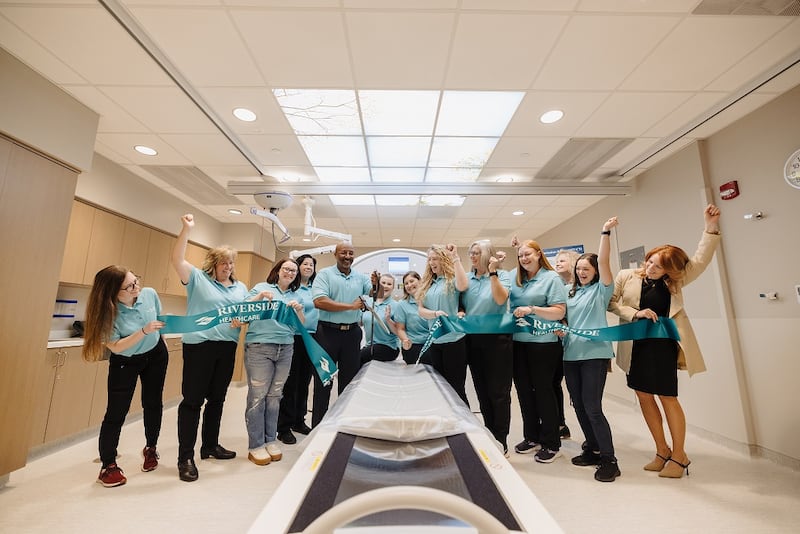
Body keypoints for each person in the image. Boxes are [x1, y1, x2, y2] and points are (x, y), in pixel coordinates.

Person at [608, 204, 721, 479]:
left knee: (667, 397)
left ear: (670, 269)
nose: (650, 267)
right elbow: (612, 303)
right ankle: (662, 451)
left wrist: (711, 227)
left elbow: (701, 260)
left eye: (658, 266)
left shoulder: (676, 282)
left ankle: (680, 456)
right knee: (643, 396)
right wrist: (635, 313)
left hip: (662, 348)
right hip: (635, 347)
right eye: (649, 261)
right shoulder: (627, 276)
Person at [171, 214, 249, 482]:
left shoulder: (241, 288)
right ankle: (185, 458)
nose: (228, 266)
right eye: (224, 262)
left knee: (217, 399)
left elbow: (245, 313)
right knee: (193, 401)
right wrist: (186, 229)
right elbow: (177, 260)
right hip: (199, 347)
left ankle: (210, 446)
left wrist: (244, 318)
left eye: (231, 262)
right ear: (213, 264)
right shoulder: (198, 279)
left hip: (226, 347)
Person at [83, 266, 167, 487]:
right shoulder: (107, 313)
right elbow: (117, 347)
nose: (136, 286)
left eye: (136, 280)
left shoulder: (149, 294)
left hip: (156, 354)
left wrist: (161, 340)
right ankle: (108, 465)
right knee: (116, 412)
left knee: (153, 403)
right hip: (126, 361)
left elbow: (160, 319)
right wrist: (144, 332)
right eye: (130, 286)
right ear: (113, 292)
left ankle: (151, 448)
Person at [560, 216, 621, 482]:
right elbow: (563, 317)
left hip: (594, 355)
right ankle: (593, 449)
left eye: (587, 269)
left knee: (593, 407)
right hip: (570, 354)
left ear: (595, 271)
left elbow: (606, 261)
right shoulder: (569, 292)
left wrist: (604, 232)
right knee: (579, 407)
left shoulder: (601, 291)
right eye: (579, 269)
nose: (582, 272)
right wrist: (561, 327)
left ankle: (610, 459)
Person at [241, 258, 305, 466]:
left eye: (294, 271)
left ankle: (270, 440)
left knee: (275, 396)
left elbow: (300, 326)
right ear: (277, 270)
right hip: (260, 347)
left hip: (285, 348)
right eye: (286, 269)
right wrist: (259, 297)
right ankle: (256, 445)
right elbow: (243, 312)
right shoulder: (261, 287)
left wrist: (299, 311)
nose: (290, 273)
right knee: (258, 397)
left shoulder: (296, 295)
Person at [509, 241, 567, 463]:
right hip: (518, 342)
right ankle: (531, 437)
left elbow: (559, 311)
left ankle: (552, 443)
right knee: (523, 390)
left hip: (544, 343)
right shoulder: (516, 279)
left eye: (528, 254)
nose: (524, 258)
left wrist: (532, 309)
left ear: (538, 254)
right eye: (521, 255)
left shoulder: (551, 279)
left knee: (543, 391)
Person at [310, 242, 372, 427]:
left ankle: (344, 425)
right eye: (343, 252)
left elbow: (377, 294)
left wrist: (377, 285)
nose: (347, 256)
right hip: (327, 334)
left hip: (352, 334)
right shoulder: (324, 275)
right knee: (324, 383)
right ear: (335, 254)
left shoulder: (360, 277)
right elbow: (320, 301)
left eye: (351, 253)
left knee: (349, 384)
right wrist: (351, 306)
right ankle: (319, 427)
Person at [461, 239, 512, 454]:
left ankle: (501, 439)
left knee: (498, 392)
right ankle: (489, 433)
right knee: (482, 391)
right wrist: (461, 310)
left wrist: (492, 273)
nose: (472, 256)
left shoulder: (503, 275)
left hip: (498, 340)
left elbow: (500, 300)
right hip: (473, 340)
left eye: (476, 253)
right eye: (470, 253)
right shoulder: (467, 279)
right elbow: (461, 301)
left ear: (488, 255)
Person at [416, 244, 469, 404]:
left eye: (435, 259)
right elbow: (421, 310)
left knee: (456, 388)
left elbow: (463, 285)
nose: (432, 262)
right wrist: (435, 313)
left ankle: (464, 423)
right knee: (440, 388)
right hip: (435, 341)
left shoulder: (452, 280)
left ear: (443, 260)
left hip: (454, 341)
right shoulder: (427, 283)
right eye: (430, 259)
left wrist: (456, 259)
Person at [277, 254, 318, 445]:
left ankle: (299, 421)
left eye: (311, 264)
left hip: (311, 338)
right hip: (293, 336)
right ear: (298, 267)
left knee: (304, 382)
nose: (308, 267)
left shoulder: (315, 288)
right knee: (290, 383)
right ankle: (284, 427)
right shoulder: (293, 289)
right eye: (305, 264)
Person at [552, 249, 581, 440]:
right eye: (557, 261)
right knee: (554, 384)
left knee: (578, 393)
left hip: (579, 344)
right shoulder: (557, 286)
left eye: (562, 260)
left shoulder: (582, 288)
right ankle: (560, 424)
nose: (557, 263)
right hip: (558, 342)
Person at [360, 273, 401, 363]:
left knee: (359, 357)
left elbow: (399, 332)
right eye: (383, 283)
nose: (385, 286)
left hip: (389, 347)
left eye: (389, 284)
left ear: (393, 288)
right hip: (370, 346)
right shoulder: (368, 302)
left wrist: (388, 319)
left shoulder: (396, 306)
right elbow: (360, 322)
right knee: (354, 355)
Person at [393, 271, 429, 364]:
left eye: (412, 281)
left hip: (431, 343)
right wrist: (405, 340)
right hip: (413, 345)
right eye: (406, 283)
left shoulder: (431, 299)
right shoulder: (402, 305)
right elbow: (400, 329)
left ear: (420, 281)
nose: (409, 285)